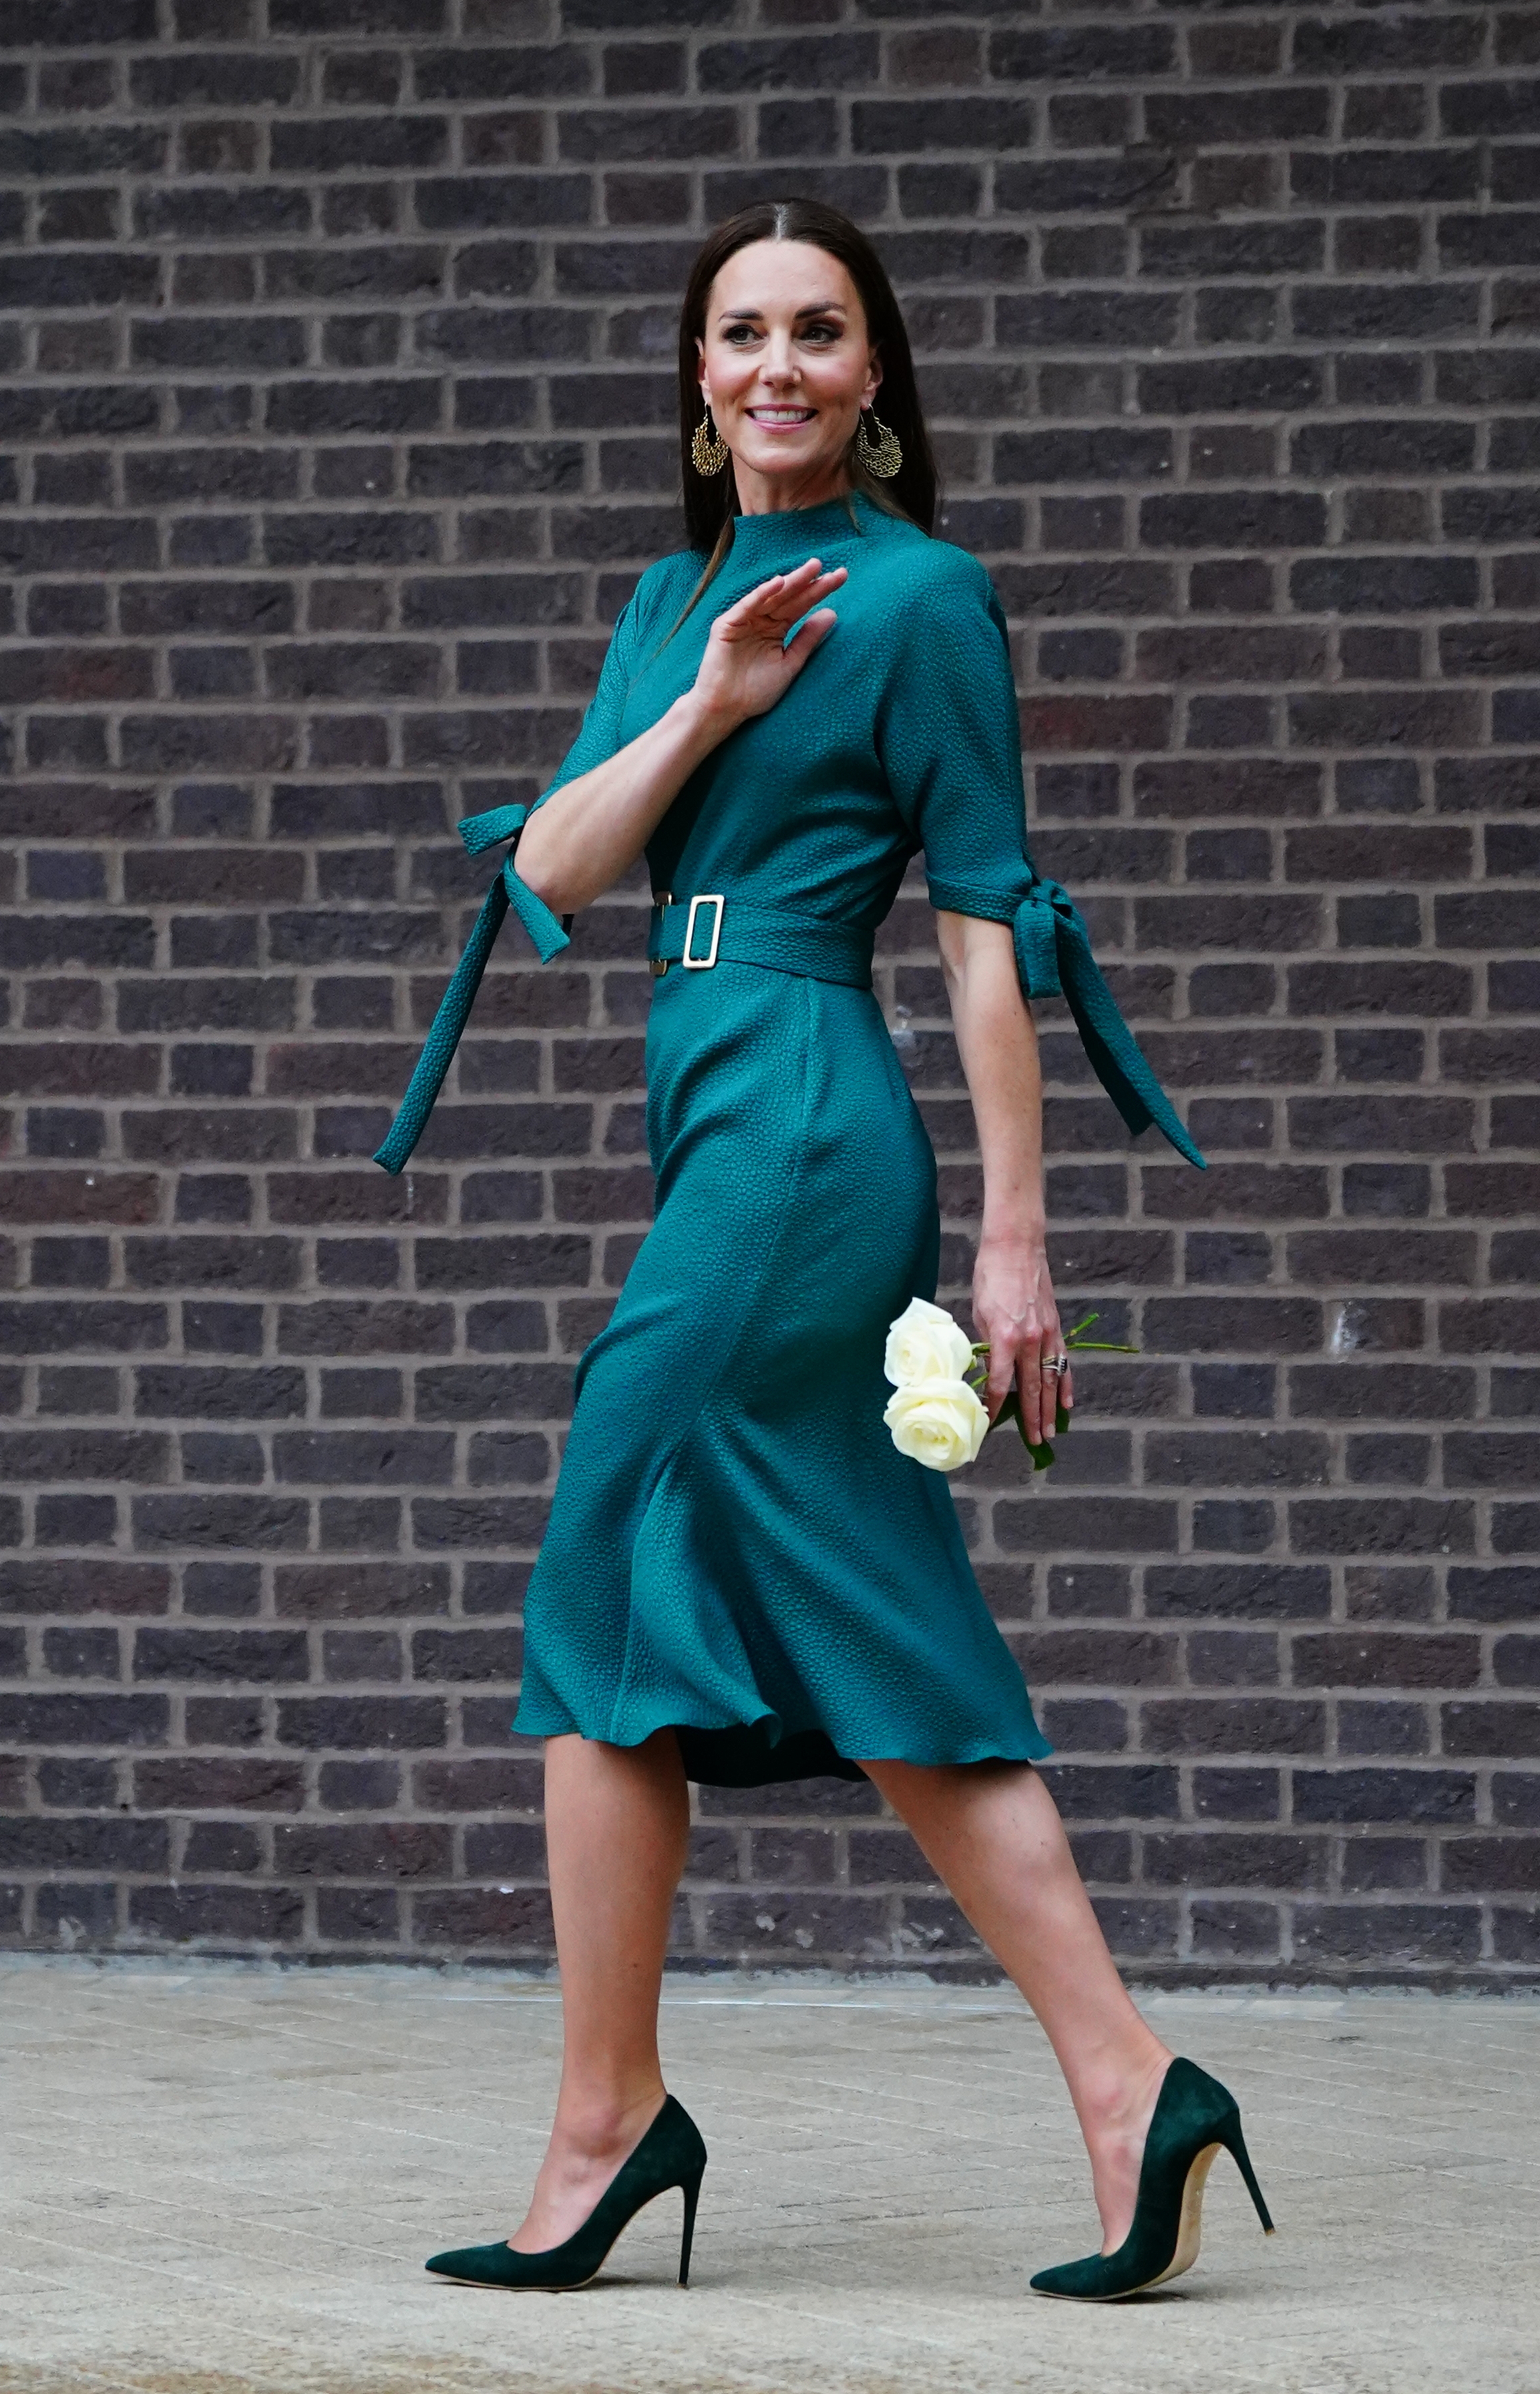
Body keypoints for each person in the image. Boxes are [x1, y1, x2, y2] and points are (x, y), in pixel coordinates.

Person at [377, 199, 1274, 2303]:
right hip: (709, 1103)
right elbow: (563, 873)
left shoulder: (929, 601)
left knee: (607, 1543)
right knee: (853, 1599)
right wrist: (706, 698)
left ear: (875, 381)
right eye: (739, 336)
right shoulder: (675, 599)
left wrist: (1019, 1248)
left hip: (802, 1108)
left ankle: (610, 2125)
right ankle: (1133, 2083)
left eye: (818, 334)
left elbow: (983, 941)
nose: (774, 366)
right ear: (700, 383)